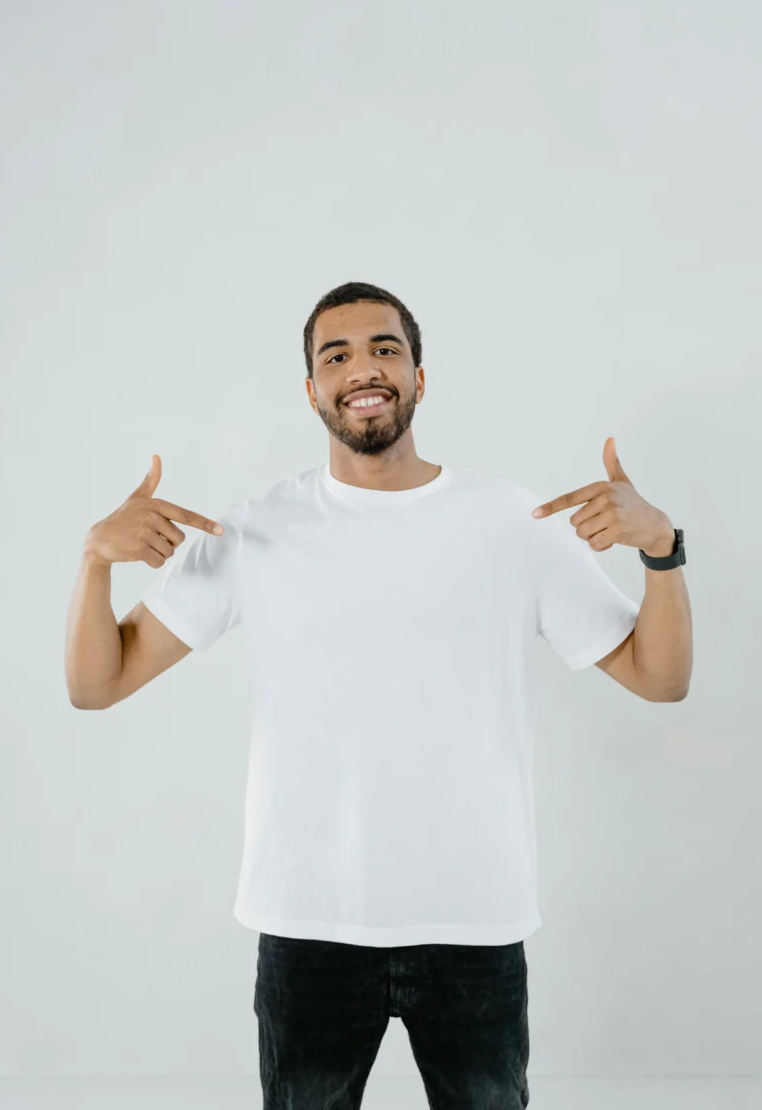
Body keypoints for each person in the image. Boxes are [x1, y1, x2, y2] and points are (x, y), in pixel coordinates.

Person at [66, 280, 690, 1109]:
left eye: (385, 349)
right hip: (308, 922)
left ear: (419, 378)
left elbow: (661, 678)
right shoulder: (256, 531)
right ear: (313, 390)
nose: (364, 369)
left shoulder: (516, 522)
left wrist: (662, 550)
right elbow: (96, 684)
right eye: (338, 355)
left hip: (474, 921)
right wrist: (93, 561)